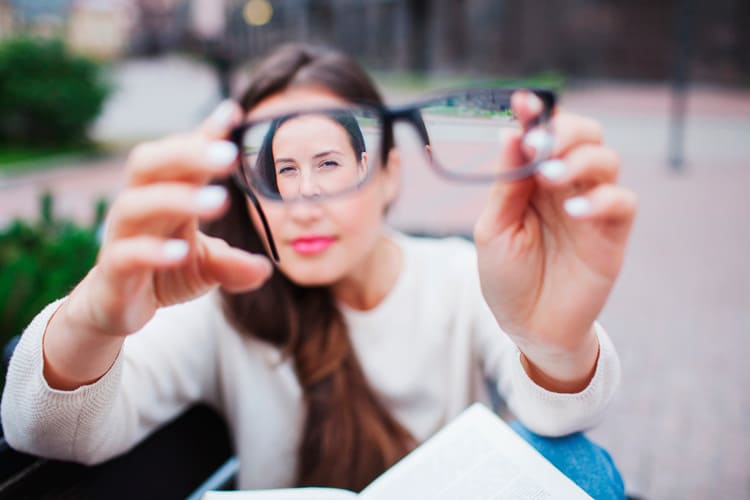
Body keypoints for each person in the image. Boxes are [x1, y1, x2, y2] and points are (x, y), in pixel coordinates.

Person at [1, 44, 635, 498]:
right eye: (283, 171)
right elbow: (50, 432)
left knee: (577, 465)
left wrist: (552, 339)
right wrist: (95, 315)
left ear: (388, 175)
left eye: (331, 164)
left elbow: (560, 419)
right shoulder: (226, 296)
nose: (304, 202)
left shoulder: (458, 278)